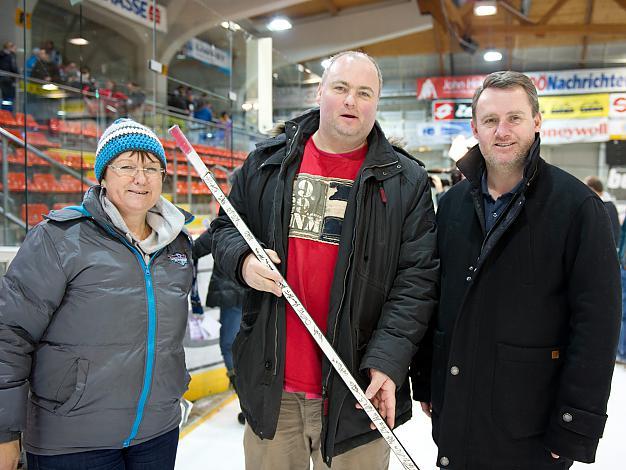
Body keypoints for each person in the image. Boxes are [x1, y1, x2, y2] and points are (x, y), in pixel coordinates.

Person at [211, 51, 439, 469]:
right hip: (273, 389)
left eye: (364, 93)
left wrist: (387, 362)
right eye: (341, 88)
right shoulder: (267, 162)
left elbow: (418, 282)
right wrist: (243, 261)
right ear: (320, 93)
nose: (351, 101)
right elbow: (224, 230)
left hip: (359, 391)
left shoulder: (407, 181)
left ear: (377, 103)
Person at [411, 71, 621, 470]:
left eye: (514, 118)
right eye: (490, 121)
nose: (501, 131)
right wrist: (427, 379)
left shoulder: (576, 209)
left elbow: (597, 325)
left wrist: (575, 424)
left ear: (537, 122)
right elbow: (435, 298)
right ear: (475, 128)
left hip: (532, 424)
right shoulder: (452, 205)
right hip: (459, 410)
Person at [0, 118, 194, 470]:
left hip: (157, 434)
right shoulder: (59, 238)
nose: (140, 178)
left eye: (151, 168)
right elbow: (9, 334)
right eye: (126, 166)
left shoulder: (177, 244)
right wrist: (4, 433)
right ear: (103, 176)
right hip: (73, 442)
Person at [192, 221, 246, 424]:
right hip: (256, 292)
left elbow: (196, 249)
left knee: (230, 346)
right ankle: (250, 403)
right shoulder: (262, 208)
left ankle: (246, 402)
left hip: (234, 293)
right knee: (250, 347)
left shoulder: (228, 218)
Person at [585, 175, 620, 246]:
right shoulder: (591, 203)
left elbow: (614, 229)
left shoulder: (609, 205)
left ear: (593, 189)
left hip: (603, 247)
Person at [0, 42, 19, 111]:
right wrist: (17, 75)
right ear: (10, 48)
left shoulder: (2, 55)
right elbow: (13, 68)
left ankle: (5, 112)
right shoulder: (10, 56)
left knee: (5, 98)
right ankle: (7, 113)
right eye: (14, 47)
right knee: (8, 98)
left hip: (4, 78)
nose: (15, 49)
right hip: (8, 79)